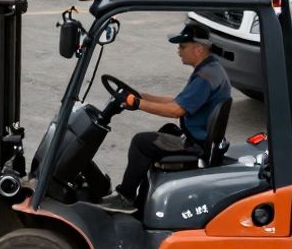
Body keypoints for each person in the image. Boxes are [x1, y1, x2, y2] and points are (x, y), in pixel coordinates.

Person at [97, 24, 232, 213]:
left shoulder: (204, 77)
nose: (178, 52)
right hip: (202, 139)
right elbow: (179, 101)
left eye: (182, 47)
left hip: (197, 144)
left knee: (141, 142)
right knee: (166, 131)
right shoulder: (211, 69)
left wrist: (136, 103)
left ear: (198, 48)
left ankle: (125, 197)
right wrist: (142, 97)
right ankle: (144, 197)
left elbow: (175, 110)